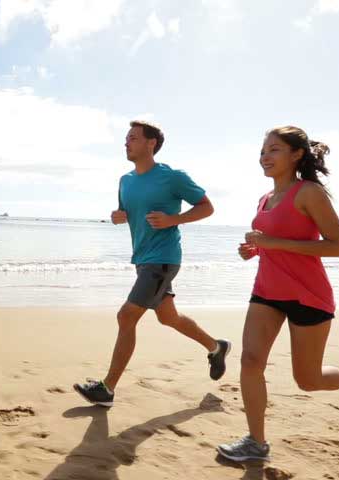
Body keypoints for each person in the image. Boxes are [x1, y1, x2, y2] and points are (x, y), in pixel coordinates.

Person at [217, 126, 339, 462]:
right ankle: (256, 443)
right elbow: (272, 245)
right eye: (263, 151)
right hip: (266, 292)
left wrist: (271, 243)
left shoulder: (309, 193)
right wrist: (254, 251)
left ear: (297, 154)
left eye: (274, 149)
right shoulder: (264, 199)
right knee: (250, 360)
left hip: (309, 296)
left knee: (307, 379)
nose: (265, 157)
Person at [73, 120, 231, 408]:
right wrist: (117, 216)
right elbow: (124, 212)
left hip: (164, 258)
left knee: (126, 316)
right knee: (168, 318)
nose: (126, 142)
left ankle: (107, 389)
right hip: (142, 259)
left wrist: (175, 219)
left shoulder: (172, 177)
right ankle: (216, 347)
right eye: (126, 138)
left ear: (151, 144)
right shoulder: (125, 180)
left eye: (132, 138)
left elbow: (207, 207)